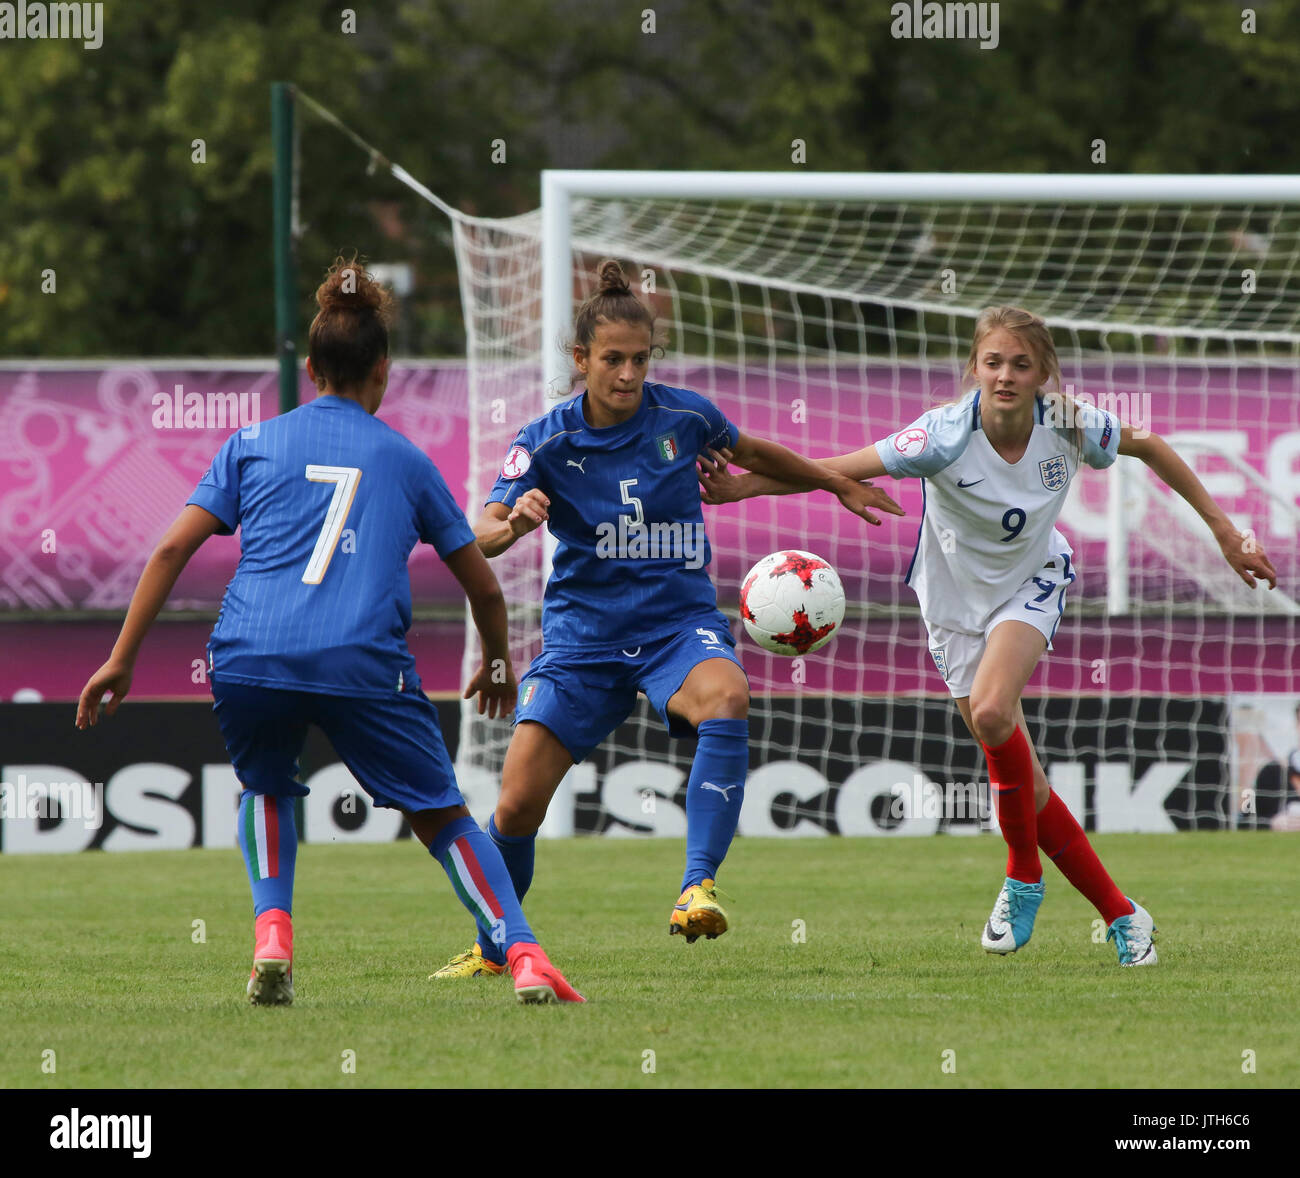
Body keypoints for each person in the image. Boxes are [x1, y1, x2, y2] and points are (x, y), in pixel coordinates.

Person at [699, 304, 1278, 966]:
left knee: (997, 711)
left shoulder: (1066, 423)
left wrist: (1225, 531)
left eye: (1021, 365)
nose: (1005, 375)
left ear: (1043, 375)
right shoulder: (942, 435)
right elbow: (833, 466)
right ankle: (1123, 915)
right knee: (1024, 783)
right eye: (993, 362)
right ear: (974, 368)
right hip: (951, 605)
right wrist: (737, 490)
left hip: (1031, 584)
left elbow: (1148, 445)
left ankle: (1021, 875)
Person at [76, 257, 582, 1005]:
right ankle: (525, 955)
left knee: (265, 787)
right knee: (442, 816)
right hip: (361, 664)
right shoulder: (407, 461)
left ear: (310, 369)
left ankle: (273, 933)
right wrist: (500, 661)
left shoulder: (250, 443)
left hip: (249, 656)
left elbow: (170, 549)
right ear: (383, 371)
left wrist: (122, 659)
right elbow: (481, 580)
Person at [431, 259, 904, 979]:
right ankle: (495, 947)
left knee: (728, 695)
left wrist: (837, 481)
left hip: (676, 627)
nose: (627, 374)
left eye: (640, 359)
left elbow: (755, 454)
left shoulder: (684, 418)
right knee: (518, 803)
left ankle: (697, 885)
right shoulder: (547, 441)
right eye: (612, 360)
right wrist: (516, 521)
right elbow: (482, 531)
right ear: (581, 359)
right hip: (583, 639)